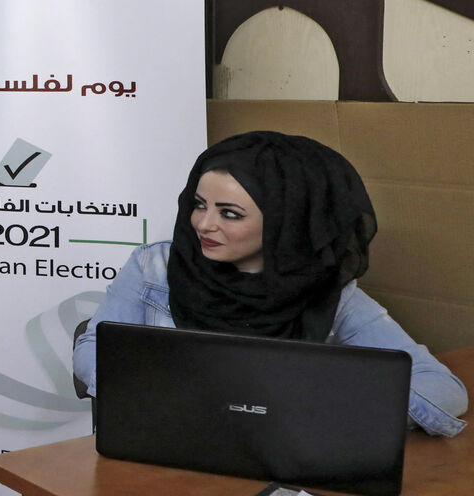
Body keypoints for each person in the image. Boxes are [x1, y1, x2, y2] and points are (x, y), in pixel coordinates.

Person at [73, 130, 467, 437]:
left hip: (276, 455)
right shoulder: (153, 266)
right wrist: (177, 397)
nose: (204, 224)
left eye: (229, 213)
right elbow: (93, 347)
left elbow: (444, 391)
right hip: (167, 444)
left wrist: (319, 404)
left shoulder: (328, 292)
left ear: (287, 222)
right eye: (198, 204)